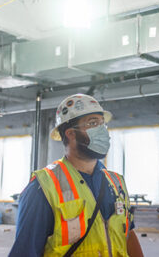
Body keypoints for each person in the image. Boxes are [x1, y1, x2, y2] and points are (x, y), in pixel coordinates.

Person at [9, 94, 144, 257]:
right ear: (71, 134)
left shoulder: (117, 182)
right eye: (93, 123)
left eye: (103, 124)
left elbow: (128, 234)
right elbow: (25, 251)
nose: (102, 130)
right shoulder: (43, 187)